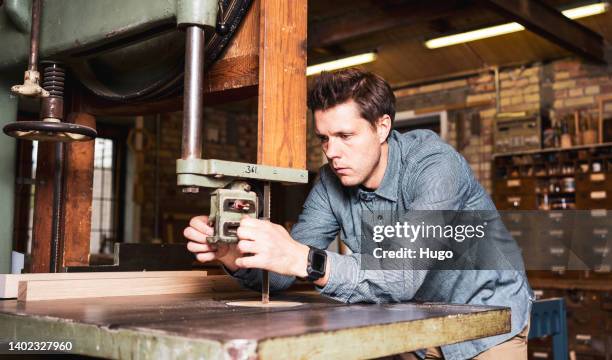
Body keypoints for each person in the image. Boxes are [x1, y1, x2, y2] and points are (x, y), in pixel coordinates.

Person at [184, 68, 534, 359]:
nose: (332, 152)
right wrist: (236, 257)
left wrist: (307, 260)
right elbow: (284, 273)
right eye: (324, 138)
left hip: (486, 318)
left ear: (382, 127)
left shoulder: (435, 166)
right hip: (415, 318)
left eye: (345, 135)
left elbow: (401, 275)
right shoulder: (331, 182)